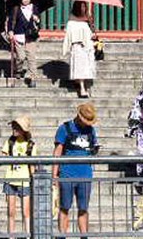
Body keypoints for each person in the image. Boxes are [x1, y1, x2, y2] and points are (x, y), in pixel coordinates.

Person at [54, 101, 99, 235]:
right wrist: (55, 175)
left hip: (85, 174)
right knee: (64, 208)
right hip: (67, 174)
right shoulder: (65, 128)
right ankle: (62, 235)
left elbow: (92, 150)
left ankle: (84, 236)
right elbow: (57, 152)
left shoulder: (91, 130)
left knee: (83, 209)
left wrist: (95, 150)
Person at [0, 115, 35, 237]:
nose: (14, 129)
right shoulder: (10, 142)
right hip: (10, 179)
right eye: (14, 126)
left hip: (24, 180)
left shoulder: (30, 145)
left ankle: (27, 234)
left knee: (26, 212)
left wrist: (33, 178)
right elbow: (2, 157)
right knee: (11, 212)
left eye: (17, 127)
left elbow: (32, 165)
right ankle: (11, 235)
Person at [6, 0, 42, 88]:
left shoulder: (34, 8)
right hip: (19, 35)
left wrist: (37, 19)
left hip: (31, 35)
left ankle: (33, 78)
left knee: (31, 57)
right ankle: (19, 69)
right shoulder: (16, 8)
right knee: (21, 57)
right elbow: (10, 22)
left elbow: (39, 22)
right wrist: (10, 31)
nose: (26, 0)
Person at [63, 0, 97, 98]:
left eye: (84, 6)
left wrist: (92, 32)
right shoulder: (72, 21)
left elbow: (92, 33)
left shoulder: (88, 19)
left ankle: (79, 82)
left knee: (86, 67)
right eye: (81, 6)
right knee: (80, 67)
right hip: (78, 46)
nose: (83, 8)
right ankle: (82, 88)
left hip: (88, 47)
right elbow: (69, 34)